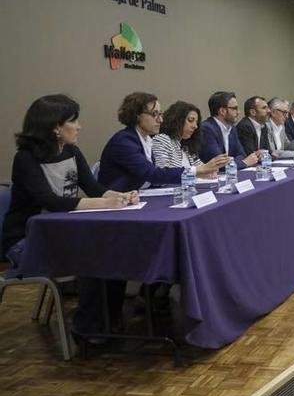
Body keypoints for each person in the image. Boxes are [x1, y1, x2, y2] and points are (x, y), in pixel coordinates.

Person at [1, 94, 139, 337]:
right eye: (73, 121)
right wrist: (105, 203)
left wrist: (121, 196)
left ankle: (110, 320)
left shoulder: (72, 151)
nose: (79, 126)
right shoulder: (25, 158)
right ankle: (87, 329)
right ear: (55, 127)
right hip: (26, 239)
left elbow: (95, 188)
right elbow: (50, 201)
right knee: (90, 256)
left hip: (64, 232)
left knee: (115, 250)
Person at [99, 92, 217, 191]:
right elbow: (152, 174)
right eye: (154, 114)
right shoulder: (124, 142)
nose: (160, 120)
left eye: (160, 114)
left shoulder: (147, 140)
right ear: (137, 116)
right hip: (115, 203)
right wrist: (197, 170)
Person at [152, 101, 228, 172]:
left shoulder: (187, 147)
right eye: (190, 120)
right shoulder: (162, 139)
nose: (195, 126)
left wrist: (212, 168)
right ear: (177, 120)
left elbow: (204, 169)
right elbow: (163, 173)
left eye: (196, 122)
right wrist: (200, 170)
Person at [199, 91, 260, 169]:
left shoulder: (232, 129)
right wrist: (244, 163)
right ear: (222, 111)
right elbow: (218, 163)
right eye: (235, 108)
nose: (238, 112)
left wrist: (235, 161)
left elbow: (242, 155)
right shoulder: (206, 129)